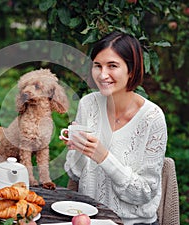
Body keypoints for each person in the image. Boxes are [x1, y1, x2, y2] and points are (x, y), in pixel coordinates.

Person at [62, 31, 167, 225]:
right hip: (89, 217)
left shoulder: (152, 118)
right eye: (97, 66)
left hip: (133, 222)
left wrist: (104, 157)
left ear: (132, 70)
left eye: (112, 66)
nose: (103, 75)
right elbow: (74, 174)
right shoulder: (88, 104)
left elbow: (144, 193)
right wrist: (78, 149)